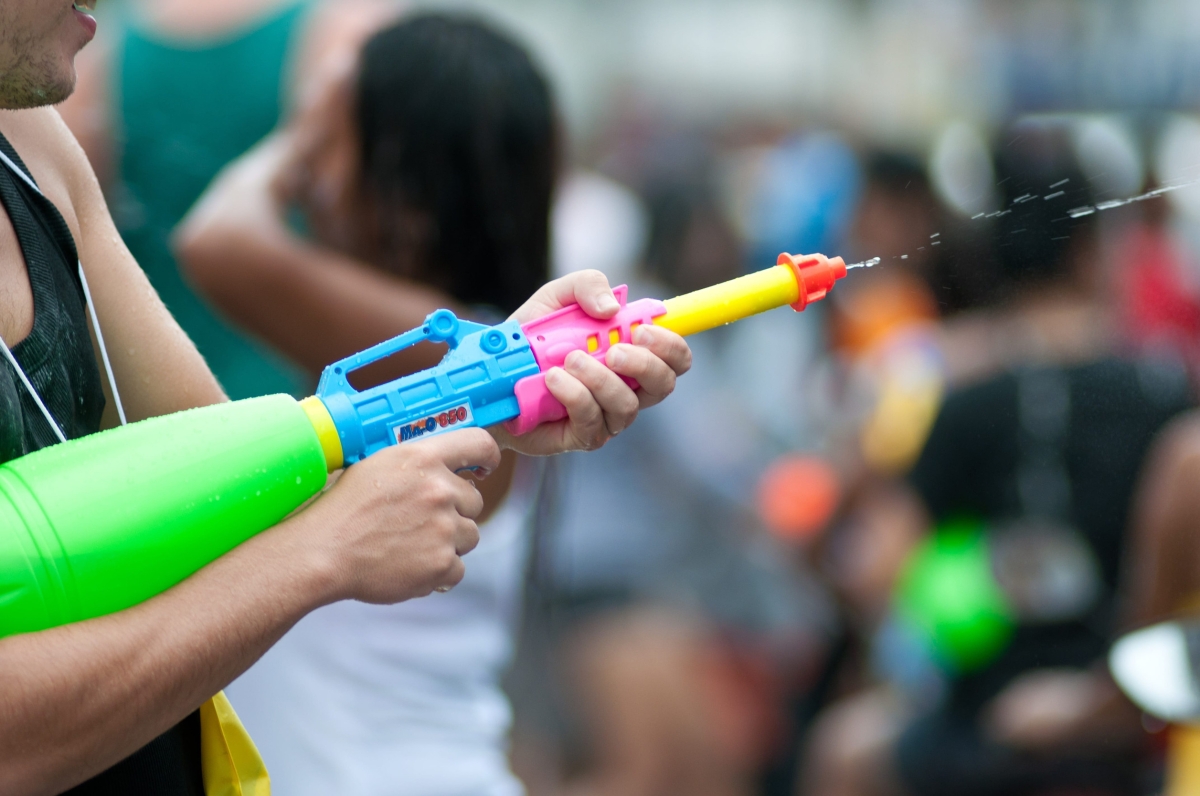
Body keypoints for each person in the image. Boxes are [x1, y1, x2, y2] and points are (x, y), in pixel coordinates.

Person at [0, 2, 692, 793]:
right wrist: (320, 552)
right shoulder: (454, 338)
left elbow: (248, 489)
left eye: (333, 142)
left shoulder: (35, 147)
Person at [174, 15, 611, 794]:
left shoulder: (450, 358)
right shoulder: (487, 349)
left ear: (403, 199)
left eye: (332, 146)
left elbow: (217, 239)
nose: (312, 180)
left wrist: (300, 130)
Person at [802, 128, 1192, 796]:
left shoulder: (949, 383)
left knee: (843, 751)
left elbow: (873, 571)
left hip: (984, 720)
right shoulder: (1170, 391)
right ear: (1095, 252)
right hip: (1135, 722)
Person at [57, 0, 397, 401]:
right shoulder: (346, 31)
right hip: (302, 412)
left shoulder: (98, 46)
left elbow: (63, 250)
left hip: (155, 407)